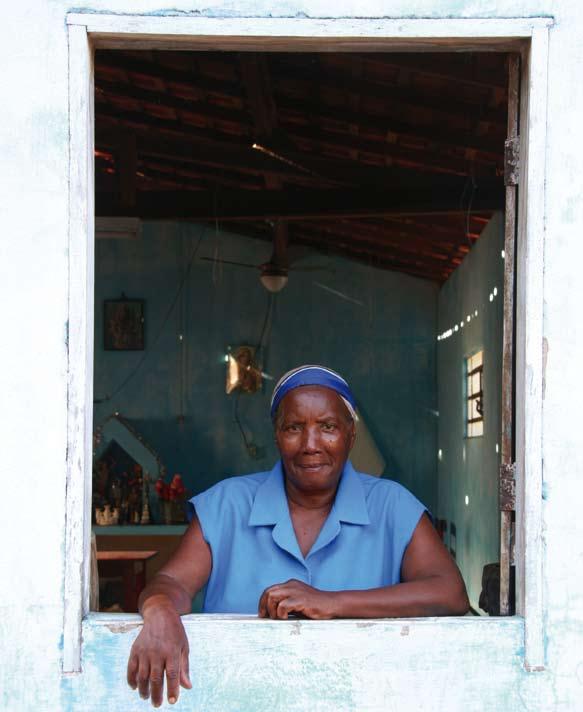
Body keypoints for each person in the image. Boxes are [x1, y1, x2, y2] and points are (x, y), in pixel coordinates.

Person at [127, 365, 469, 707]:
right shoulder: (226, 505)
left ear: (351, 435)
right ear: (277, 435)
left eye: (328, 427)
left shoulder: (392, 505)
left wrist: (331, 603)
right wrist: (159, 610)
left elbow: (450, 592)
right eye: (293, 428)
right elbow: (172, 582)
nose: (310, 445)